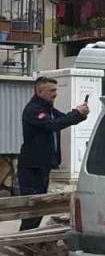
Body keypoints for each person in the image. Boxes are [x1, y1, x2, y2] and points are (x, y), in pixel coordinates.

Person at [17, 77, 89, 230]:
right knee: (33, 208)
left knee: (38, 207)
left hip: (42, 165)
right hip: (32, 167)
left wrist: (81, 114)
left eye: (56, 90)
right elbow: (52, 125)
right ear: (40, 91)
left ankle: (27, 242)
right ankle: (26, 242)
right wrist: (76, 113)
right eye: (51, 90)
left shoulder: (47, 108)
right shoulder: (34, 109)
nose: (55, 94)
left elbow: (63, 119)